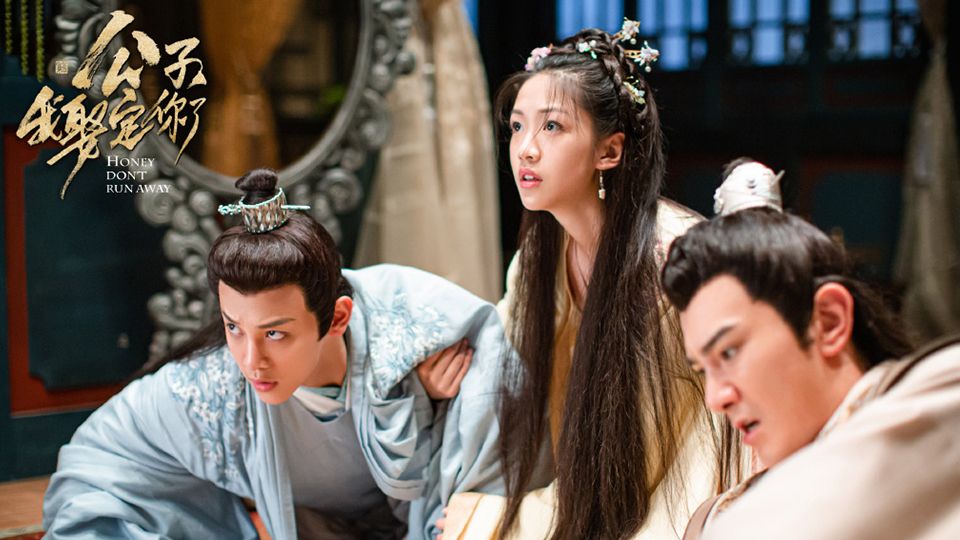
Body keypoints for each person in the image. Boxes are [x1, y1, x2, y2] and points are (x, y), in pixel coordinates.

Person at [43, 169, 509, 539]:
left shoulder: (410, 337)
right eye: (233, 327)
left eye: (276, 333)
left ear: (338, 317)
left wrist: (423, 400)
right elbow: (98, 455)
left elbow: (495, 380)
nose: (252, 360)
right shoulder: (218, 385)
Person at [437, 21, 738, 540]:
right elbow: (500, 352)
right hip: (598, 482)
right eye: (517, 127)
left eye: (552, 127)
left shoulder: (670, 257)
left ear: (609, 151)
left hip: (685, 474)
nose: (525, 149)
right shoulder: (539, 255)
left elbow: (654, 451)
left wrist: (512, 518)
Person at [662, 159, 960, 539]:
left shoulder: (942, 398)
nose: (716, 399)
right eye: (704, 370)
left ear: (829, 321)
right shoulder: (717, 516)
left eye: (730, 353)